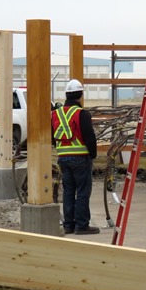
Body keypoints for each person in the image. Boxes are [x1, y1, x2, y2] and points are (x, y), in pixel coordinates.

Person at [52, 79, 99, 235]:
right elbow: (89, 137)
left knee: (68, 191)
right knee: (83, 191)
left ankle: (69, 225)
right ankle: (81, 225)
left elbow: (53, 137)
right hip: (80, 158)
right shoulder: (81, 114)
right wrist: (93, 154)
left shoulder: (55, 114)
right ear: (80, 96)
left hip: (63, 159)